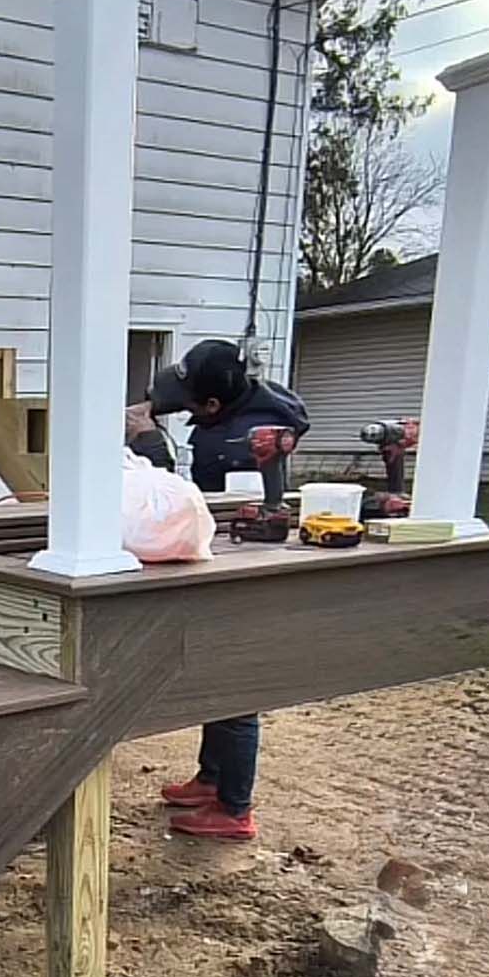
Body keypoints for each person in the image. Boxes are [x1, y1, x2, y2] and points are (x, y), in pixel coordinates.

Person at [148, 339, 311, 843]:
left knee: (237, 689)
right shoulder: (242, 409)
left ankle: (235, 810)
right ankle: (212, 780)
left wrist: (151, 448)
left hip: (243, 572)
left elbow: (201, 504)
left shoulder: (247, 439)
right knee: (214, 683)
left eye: (191, 400)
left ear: (214, 406)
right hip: (222, 558)